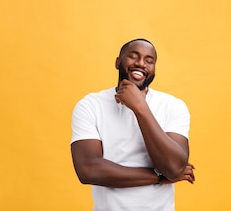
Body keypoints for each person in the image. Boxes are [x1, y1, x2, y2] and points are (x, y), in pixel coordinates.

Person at [70, 38, 195, 211]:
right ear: (118, 62)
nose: (141, 64)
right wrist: (159, 177)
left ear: (154, 70)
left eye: (149, 61)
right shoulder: (90, 105)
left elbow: (174, 167)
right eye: (134, 56)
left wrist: (140, 108)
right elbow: (89, 170)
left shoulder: (173, 106)